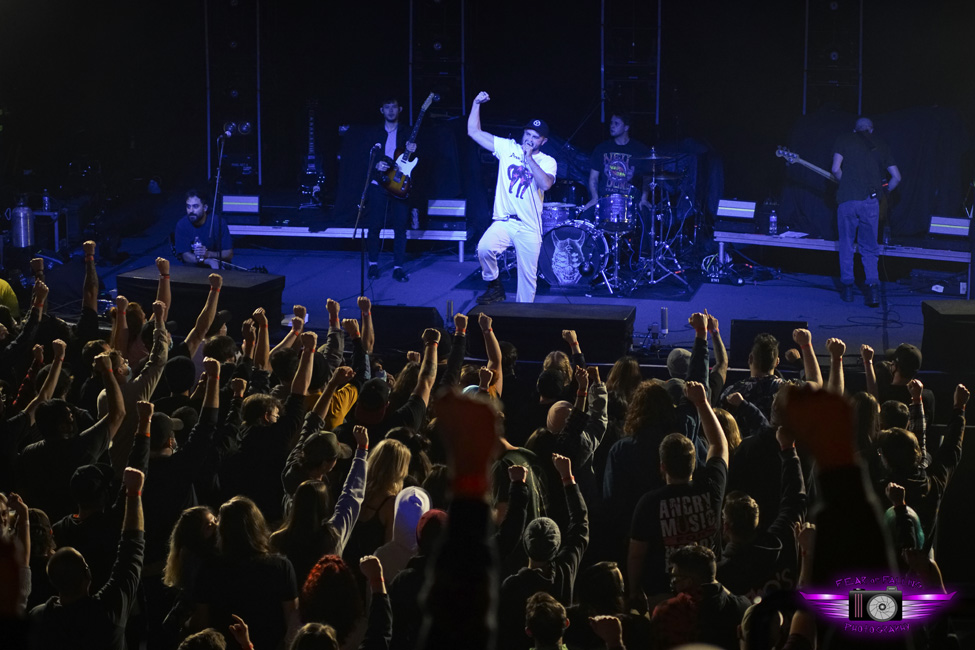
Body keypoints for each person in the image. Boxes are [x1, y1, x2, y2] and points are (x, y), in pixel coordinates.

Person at [28, 467, 146, 650]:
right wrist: (134, 491)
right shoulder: (108, 613)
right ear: (87, 575)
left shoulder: (39, 618)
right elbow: (131, 554)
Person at [468, 90, 557, 304]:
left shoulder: (547, 161)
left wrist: (528, 159)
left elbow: (545, 183)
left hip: (529, 226)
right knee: (485, 248)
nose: (529, 138)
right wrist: (476, 104)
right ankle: (495, 285)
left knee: (527, 280)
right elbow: (474, 132)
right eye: (528, 133)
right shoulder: (508, 148)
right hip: (505, 221)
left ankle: (522, 319)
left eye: (535, 137)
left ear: (543, 141)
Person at [831, 117, 902, 306]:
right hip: (870, 202)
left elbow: (835, 169)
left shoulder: (844, 139)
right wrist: (883, 192)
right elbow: (896, 177)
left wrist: (845, 183)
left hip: (847, 200)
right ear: (871, 130)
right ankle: (873, 291)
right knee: (869, 247)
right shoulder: (880, 143)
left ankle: (847, 289)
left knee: (846, 243)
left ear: (855, 130)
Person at [366, 96, 416, 283]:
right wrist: (376, 164)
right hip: (378, 184)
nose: (390, 111)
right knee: (375, 226)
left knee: (400, 227)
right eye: (387, 107)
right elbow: (366, 156)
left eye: (393, 107)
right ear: (382, 110)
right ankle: (373, 264)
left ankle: (398, 267)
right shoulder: (374, 133)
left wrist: (414, 149)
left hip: (399, 184)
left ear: (400, 109)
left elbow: (416, 159)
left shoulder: (407, 132)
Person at [583, 112, 651, 213]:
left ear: (626, 127)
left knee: (646, 217)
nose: (612, 126)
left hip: (630, 201)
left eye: (616, 123)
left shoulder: (640, 150)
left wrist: (644, 199)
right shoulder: (602, 148)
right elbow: (593, 177)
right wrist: (594, 198)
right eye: (611, 123)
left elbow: (647, 178)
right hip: (605, 200)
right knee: (584, 216)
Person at [175, 189, 234, 269]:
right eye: (188, 206)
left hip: (218, 267)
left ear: (205, 207)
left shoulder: (218, 222)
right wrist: (208, 261)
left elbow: (228, 254)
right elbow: (185, 256)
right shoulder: (182, 225)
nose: (191, 211)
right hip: (193, 269)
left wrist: (209, 254)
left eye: (195, 206)